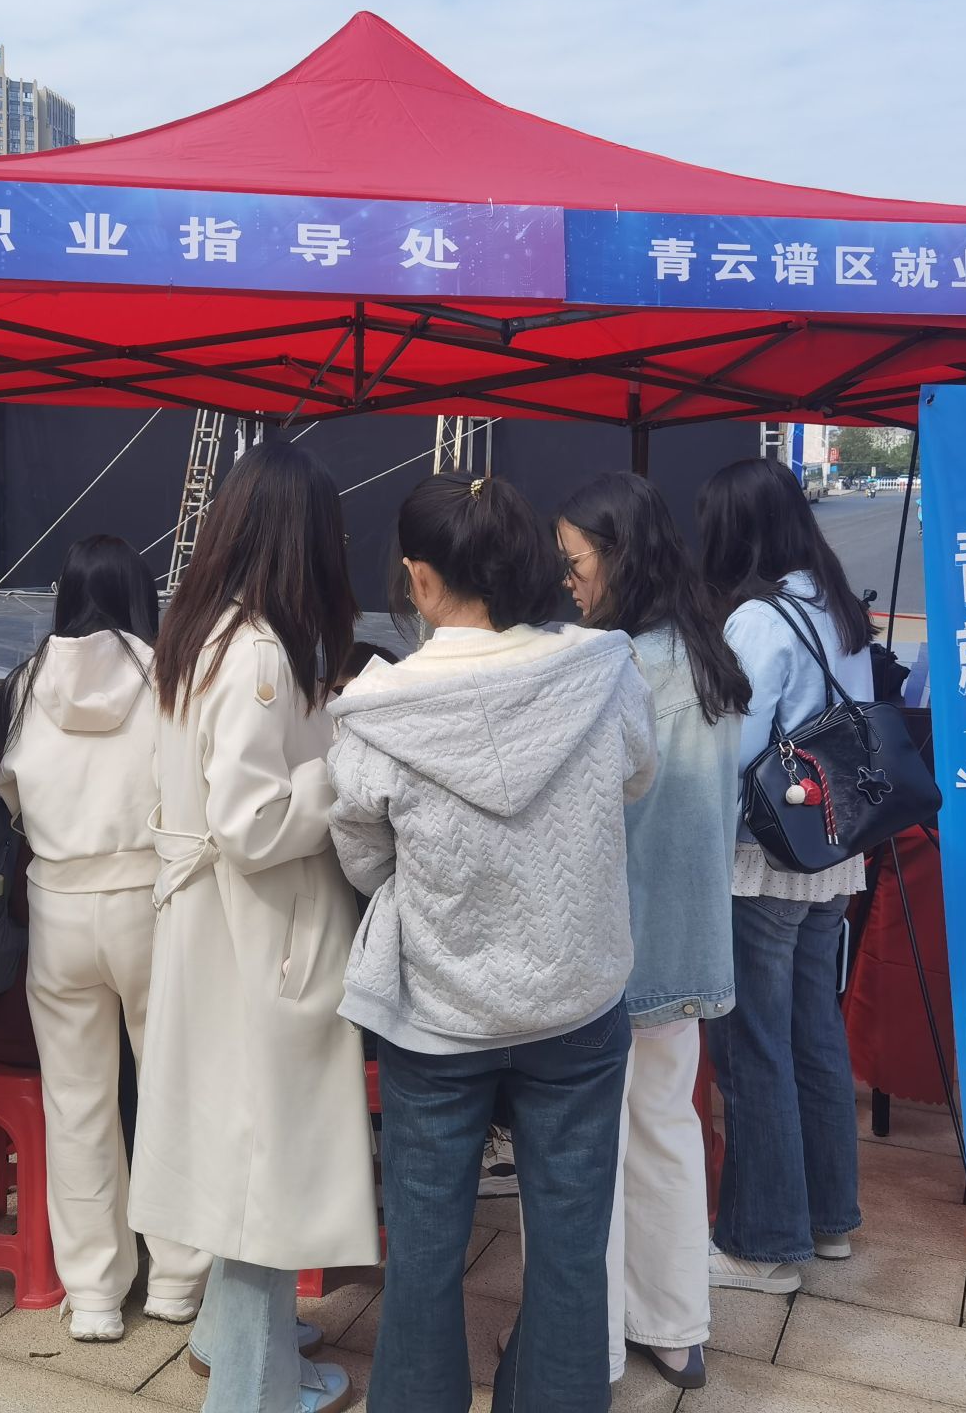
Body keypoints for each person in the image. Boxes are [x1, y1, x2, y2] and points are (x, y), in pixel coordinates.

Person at [329, 472, 657, 1413]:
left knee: (425, 1252)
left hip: (437, 1010)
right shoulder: (603, 674)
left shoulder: (381, 709)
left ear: (420, 580)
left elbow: (362, 855)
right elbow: (635, 779)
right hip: (577, 999)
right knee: (571, 1249)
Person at [132, 442, 375, 1413]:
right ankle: (254, 1386)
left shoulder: (198, 633)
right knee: (266, 1164)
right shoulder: (262, 652)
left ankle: (236, 1339)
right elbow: (253, 823)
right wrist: (342, 759)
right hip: (259, 932)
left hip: (212, 927)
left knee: (237, 1148)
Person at [557, 473, 750, 1392]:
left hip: (618, 938)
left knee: (591, 1145)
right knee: (670, 1127)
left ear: (617, 558)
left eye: (575, 562)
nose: (567, 581)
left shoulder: (618, 669)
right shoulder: (709, 656)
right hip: (693, 936)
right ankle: (675, 1328)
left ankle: (588, 1345)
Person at [0, 535, 211, 1342]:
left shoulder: (24, 681)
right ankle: (178, 1279)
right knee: (172, 1090)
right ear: (139, 597)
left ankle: (92, 1294)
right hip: (151, 902)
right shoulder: (170, 677)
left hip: (57, 905)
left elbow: (11, 795)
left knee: (76, 1104)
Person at [696, 456, 875, 1295]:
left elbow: (732, 752)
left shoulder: (758, 620)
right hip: (833, 851)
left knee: (755, 1047)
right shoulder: (836, 606)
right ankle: (829, 1218)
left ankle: (763, 1243)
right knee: (814, 1034)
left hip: (762, 859)